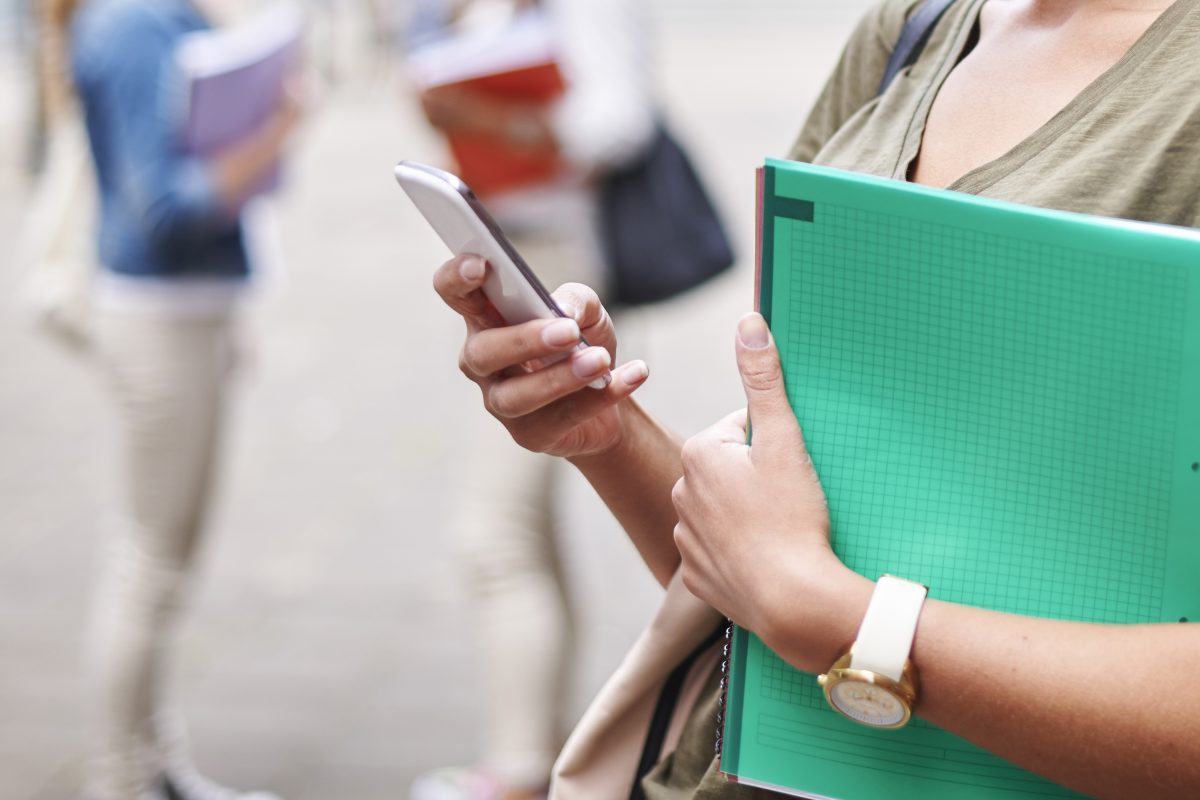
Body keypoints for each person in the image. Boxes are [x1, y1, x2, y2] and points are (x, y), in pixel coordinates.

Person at [428, 0, 1200, 797]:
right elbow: (765, 583)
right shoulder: (917, 29)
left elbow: (803, 604)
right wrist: (606, 430)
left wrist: (854, 627)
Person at [406, 1, 656, 798]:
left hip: (558, 260)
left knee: (493, 533)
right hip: (504, 242)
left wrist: (491, 118)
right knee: (528, 523)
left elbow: (616, 123)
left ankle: (517, 772)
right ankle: (548, 754)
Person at [69, 0, 302, 796]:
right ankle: (119, 777)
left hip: (190, 310)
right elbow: (163, 209)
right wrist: (275, 131)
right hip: (157, 317)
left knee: (163, 555)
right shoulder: (136, 26)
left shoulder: (166, 18)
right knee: (148, 560)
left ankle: (154, 764)